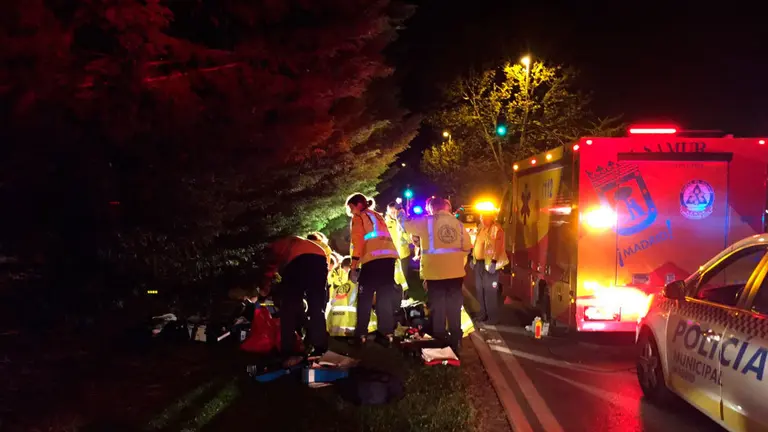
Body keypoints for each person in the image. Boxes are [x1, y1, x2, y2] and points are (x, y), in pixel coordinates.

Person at [405, 197, 472, 355]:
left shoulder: (426, 221)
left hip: (435, 274)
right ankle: (456, 340)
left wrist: (403, 214)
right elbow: (468, 247)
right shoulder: (458, 224)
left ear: (431, 208)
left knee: (438, 308)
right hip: (455, 274)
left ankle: (440, 341)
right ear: (447, 207)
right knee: (454, 308)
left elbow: (406, 226)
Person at [262, 235, 329, 366]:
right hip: (320, 259)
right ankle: (320, 348)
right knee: (316, 306)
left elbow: (271, 266)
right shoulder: (295, 240)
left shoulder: (274, 246)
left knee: (288, 306)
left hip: (299, 260)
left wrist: (265, 285)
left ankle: (287, 350)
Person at [346, 193, 399, 346]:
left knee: (365, 297)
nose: (351, 211)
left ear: (357, 205)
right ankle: (386, 334)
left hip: (372, 260)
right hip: (388, 259)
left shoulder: (359, 217)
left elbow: (357, 242)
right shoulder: (377, 215)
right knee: (384, 298)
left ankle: (360, 335)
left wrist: (354, 265)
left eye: (351, 207)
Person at [471, 207, 509, 325]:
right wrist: (473, 259)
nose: (482, 219)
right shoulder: (481, 228)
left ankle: (492, 318)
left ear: (491, 218)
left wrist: (494, 262)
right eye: (481, 217)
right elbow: (476, 244)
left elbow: (498, 246)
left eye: (484, 217)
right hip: (479, 264)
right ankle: (482, 315)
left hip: (490, 265)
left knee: (490, 292)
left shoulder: (497, 229)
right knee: (479, 291)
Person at [385, 202, 411, 306]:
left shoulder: (405, 222)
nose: (393, 214)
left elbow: (409, 239)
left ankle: (404, 299)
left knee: (404, 279)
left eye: (395, 212)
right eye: (391, 212)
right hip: (390, 256)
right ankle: (393, 300)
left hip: (404, 255)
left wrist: (404, 229)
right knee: (392, 279)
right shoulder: (385, 223)